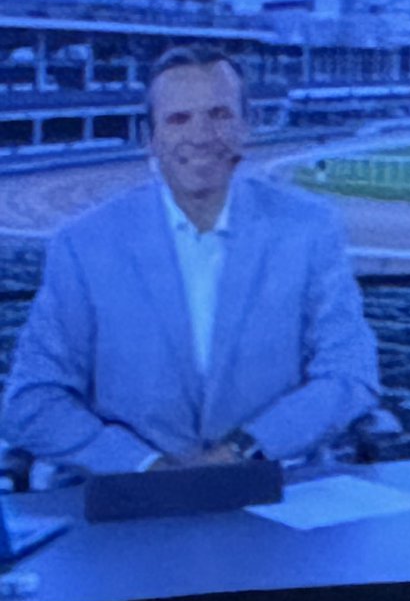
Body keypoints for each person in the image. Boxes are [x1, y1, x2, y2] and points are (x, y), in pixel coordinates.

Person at [1, 45, 380, 475]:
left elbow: (350, 373)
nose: (201, 136)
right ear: (152, 138)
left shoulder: (310, 228)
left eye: (219, 115)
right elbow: (32, 400)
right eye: (179, 119)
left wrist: (242, 450)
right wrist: (147, 467)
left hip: (275, 489)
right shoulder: (84, 245)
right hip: (132, 500)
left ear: (245, 126)